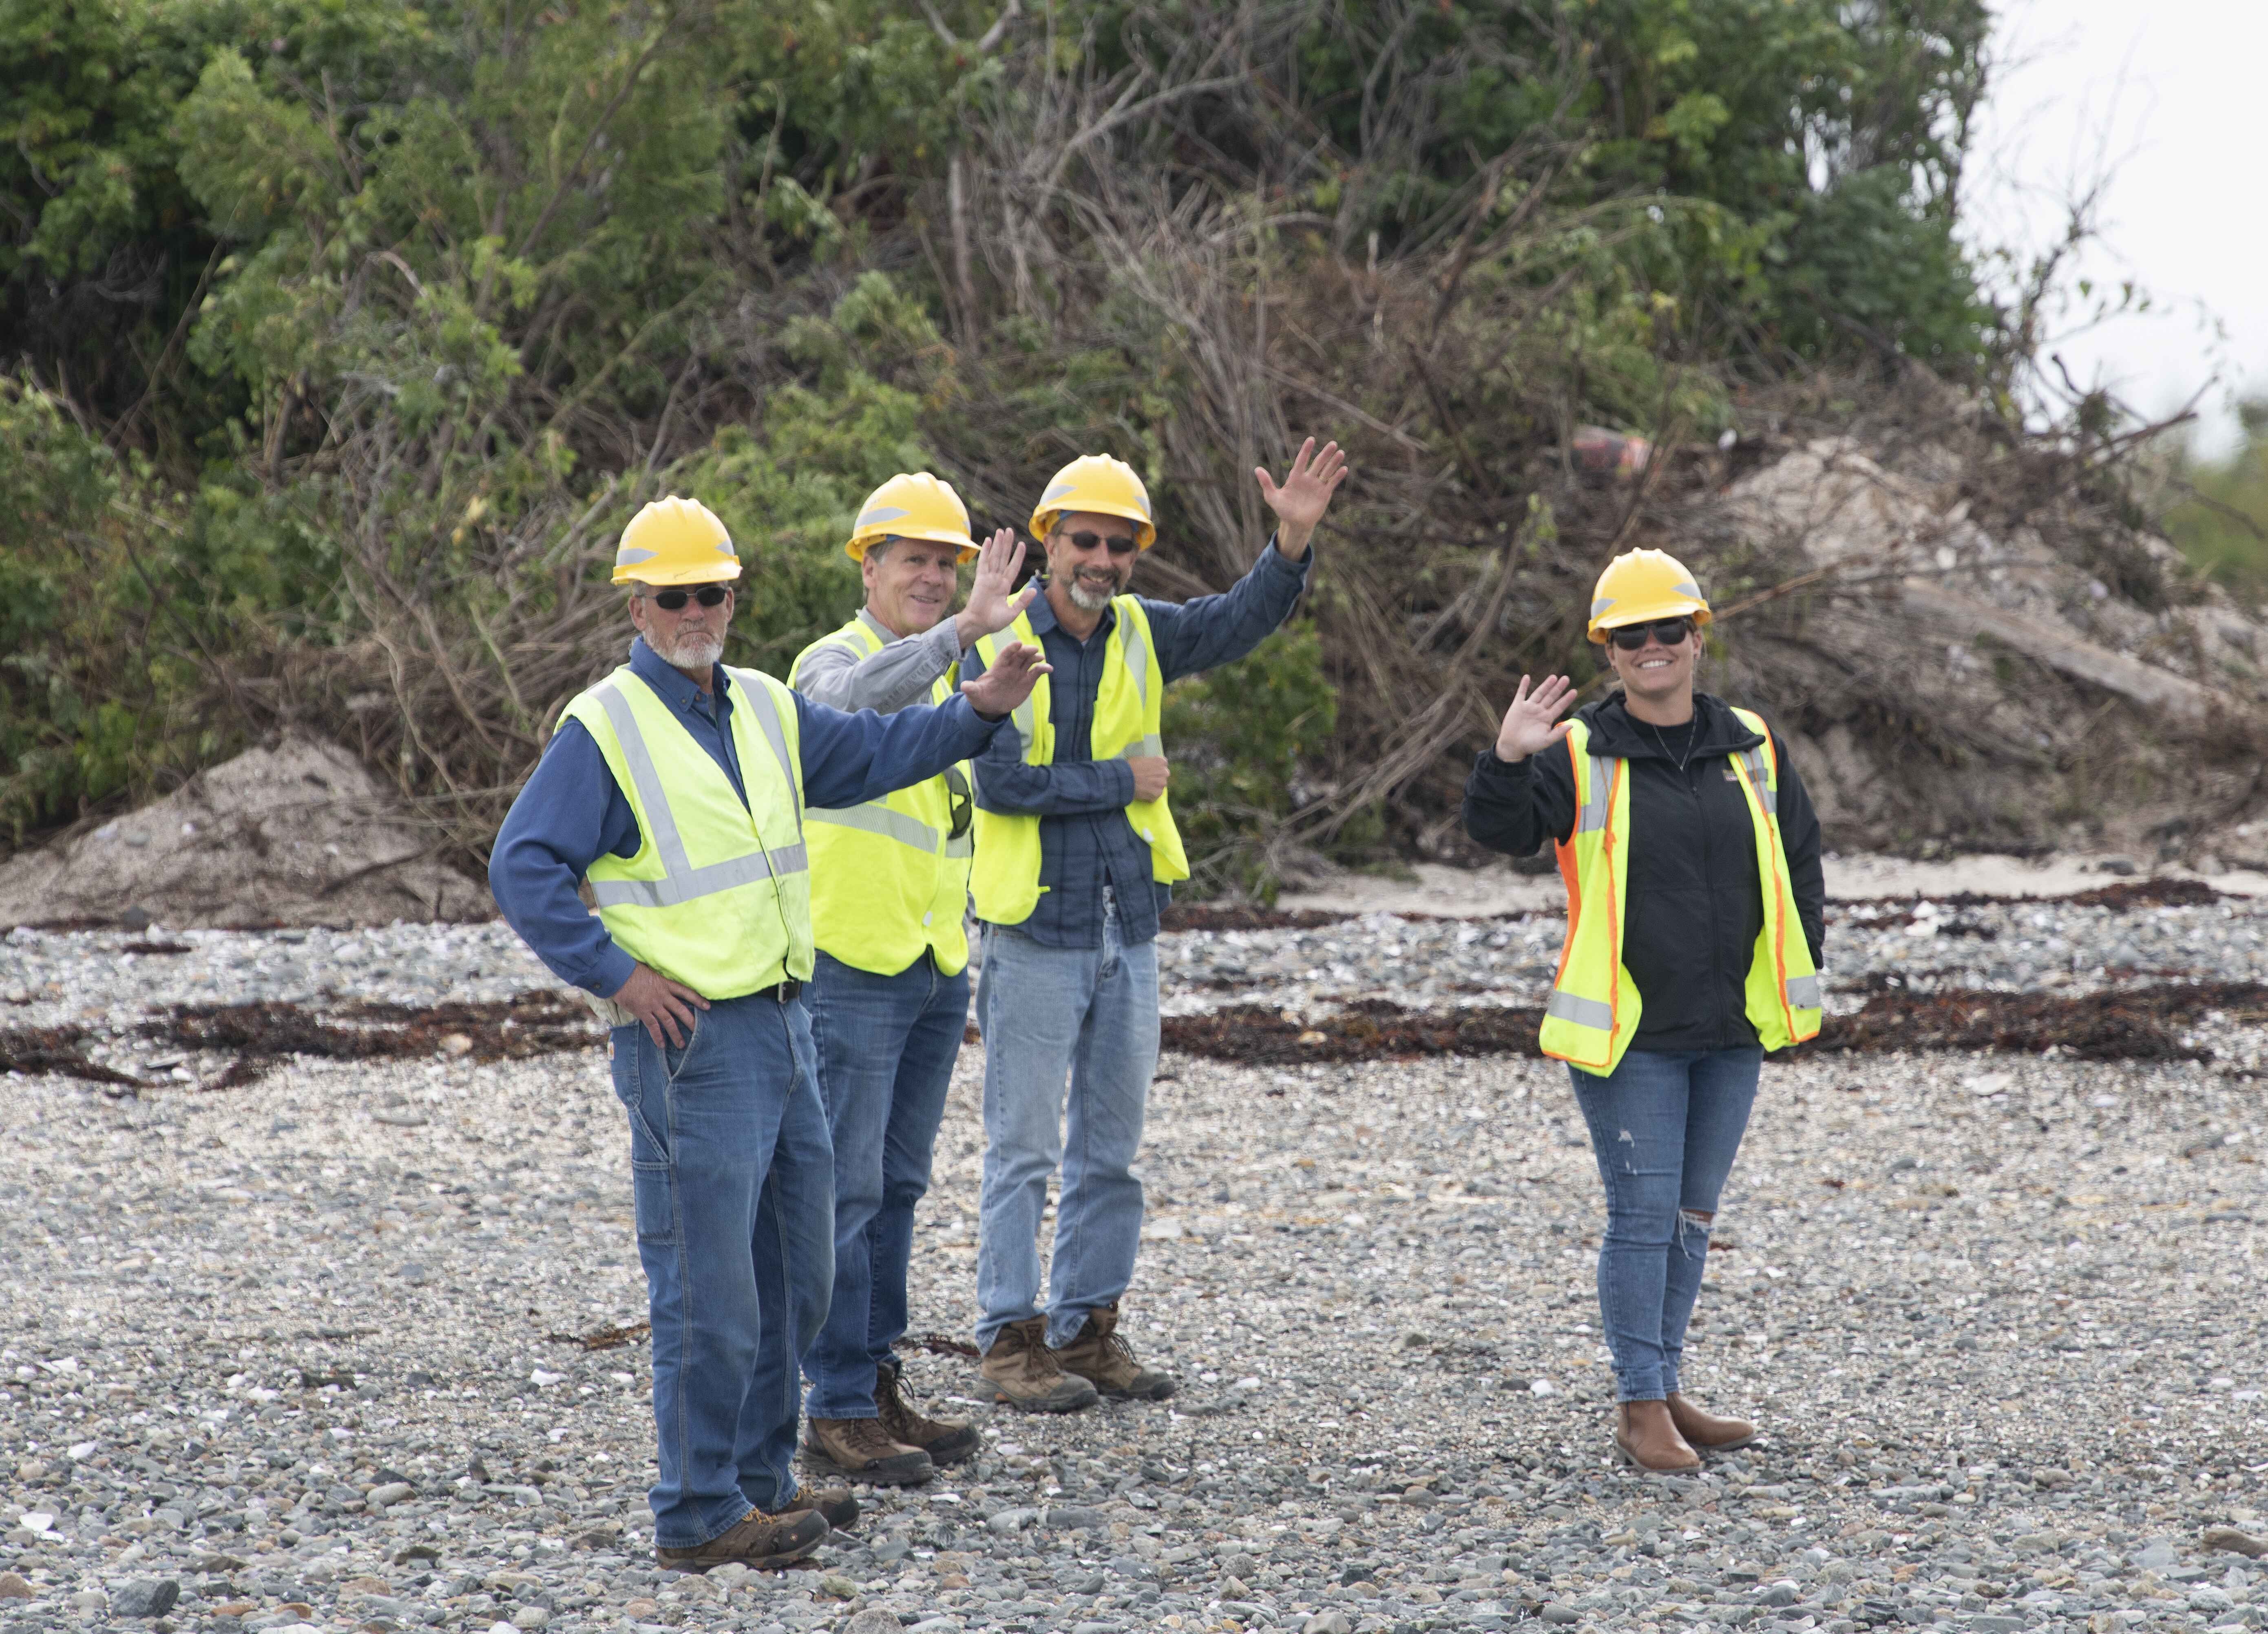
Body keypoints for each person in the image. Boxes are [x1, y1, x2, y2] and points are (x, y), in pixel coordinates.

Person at [488, 495, 1048, 1571]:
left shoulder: (760, 706)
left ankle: (755, 1482)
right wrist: (618, 978)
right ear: (639, 607)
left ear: (734, 600)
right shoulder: (604, 725)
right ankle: (699, 1514)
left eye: (712, 592)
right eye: (674, 595)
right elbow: (525, 866)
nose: (695, 609)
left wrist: (975, 709)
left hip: (785, 1025)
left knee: (796, 1271)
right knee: (710, 1286)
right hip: (695, 1042)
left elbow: (875, 753)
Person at [958, 438, 1349, 1412]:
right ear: (1050, 543)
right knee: (1022, 1152)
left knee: (1112, 1152)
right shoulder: (997, 640)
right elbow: (1000, 784)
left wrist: (1290, 544)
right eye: (1084, 540)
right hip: (1034, 932)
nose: (1102, 558)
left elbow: (1239, 619)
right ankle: (1009, 1341)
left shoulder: (1143, 630)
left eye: (1121, 545)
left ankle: (1087, 1332)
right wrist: (1119, 785)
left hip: (1126, 928)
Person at [1461, 548, 1824, 1472]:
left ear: (1698, 637)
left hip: (1732, 1029)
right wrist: (1508, 756)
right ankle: (1637, 1408)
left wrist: (1801, 969)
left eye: (1670, 630)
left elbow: (1801, 865)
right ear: (1609, 652)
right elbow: (1496, 831)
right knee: (1642, 1217)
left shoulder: (1752, 741)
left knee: (1693, 1218)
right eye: (1632, 637)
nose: (1653, 647)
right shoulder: (1578, 750)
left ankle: (1663, 1387)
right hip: (1628, 1034)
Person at [786, 474, 1038, 1486]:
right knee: (844, 1194)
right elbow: (845, 708)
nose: (933, 579)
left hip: (932, 964)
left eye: (948, 562)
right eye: (915, 561)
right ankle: (835, 1404)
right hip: (851, 965)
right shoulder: (832, 659)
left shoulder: (948, 674)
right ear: (870, 566)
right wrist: (957, 641)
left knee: (895, 1188)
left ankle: (874, 1380)